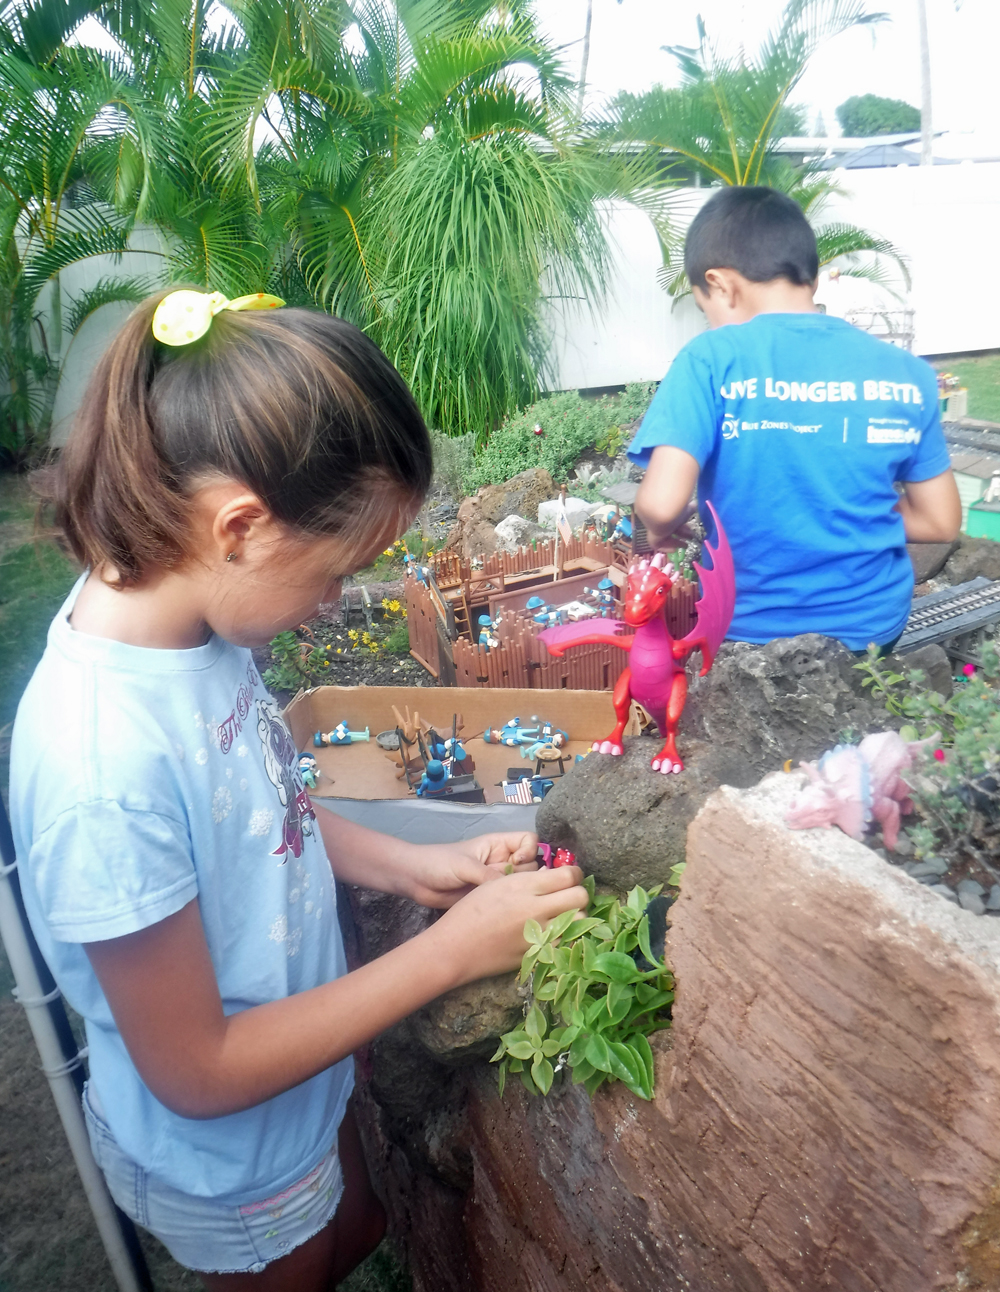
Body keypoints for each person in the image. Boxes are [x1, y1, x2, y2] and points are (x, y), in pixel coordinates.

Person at [9, 290, 586, 1291]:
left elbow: (266, 802)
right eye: (332, 575)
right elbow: (197, 1069)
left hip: (295, 1102)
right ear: (238, 525)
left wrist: (420, 864)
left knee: (353, 1220)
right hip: (230, 1161)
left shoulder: (193, 626)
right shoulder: (103, 769)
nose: (327, 609)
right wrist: (450, 954)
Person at [630, 186, 961, 653]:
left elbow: (662, 505)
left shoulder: (710, 358)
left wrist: (658, 530)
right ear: (810, 277)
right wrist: (841, 510)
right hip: (872, 627)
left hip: (751, 632)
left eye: (706, 310)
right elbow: (941, 521)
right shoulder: (906, 372)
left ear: (721, 284)